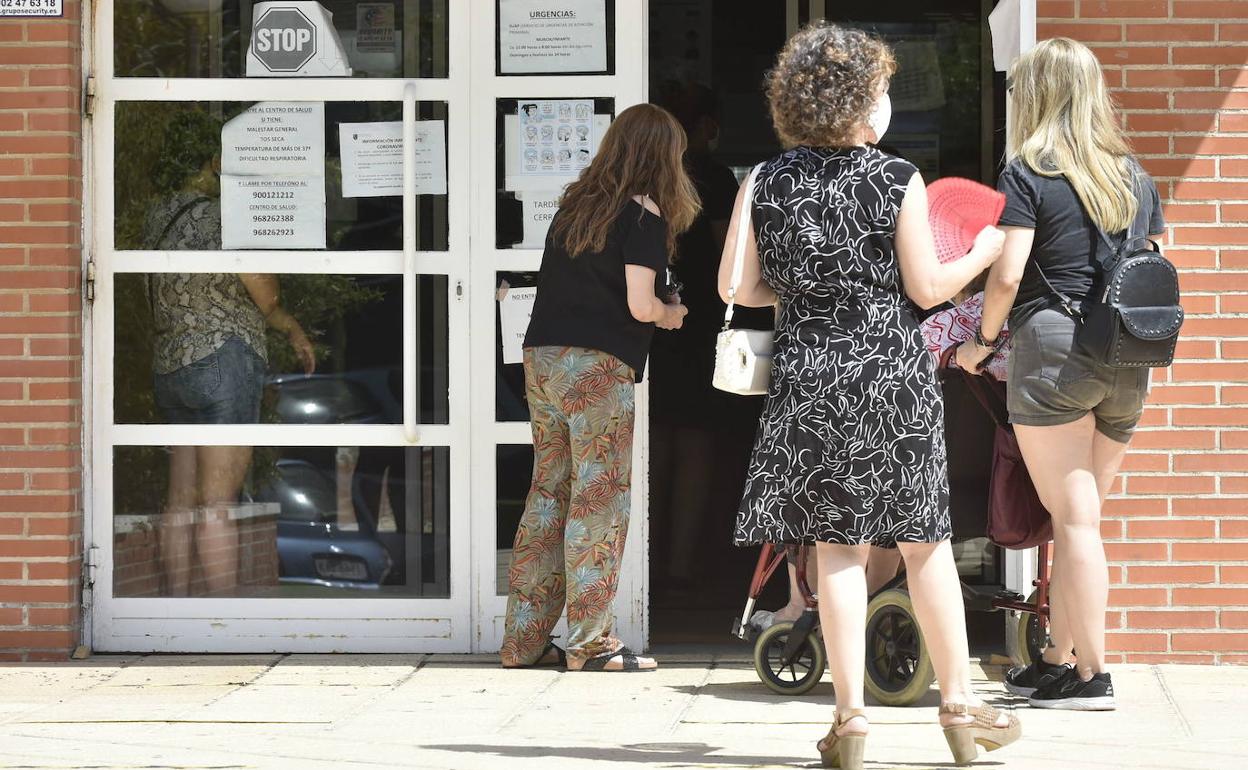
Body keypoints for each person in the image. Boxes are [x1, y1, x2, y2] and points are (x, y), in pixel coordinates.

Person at [722, 24, 1020, 768]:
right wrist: (982, 253)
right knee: (925, 546)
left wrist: (804, 286)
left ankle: (850, 720)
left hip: (808, 378)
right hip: (890, 372)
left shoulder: (767, 179)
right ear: (862, 104)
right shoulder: (896, 179)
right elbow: (925, 288)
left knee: (837, 551)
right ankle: (957, 708)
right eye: (882, 91)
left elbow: (739, 286)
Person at [957, 37, 1164, 712]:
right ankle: (1057, 658)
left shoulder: (1028, 173)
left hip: (1055, 351)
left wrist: (982, 345)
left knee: (1073, 524)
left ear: (1039, 94)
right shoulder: (1131, 173)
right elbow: (1157, 259)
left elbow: (1008, 274)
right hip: (1129, 357)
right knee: (1084, 522)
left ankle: (1092, 676)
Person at [500, 104, 697, 672]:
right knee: (598, 499)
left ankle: (523, 641)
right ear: (661, 157)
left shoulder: (574, 207)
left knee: (547, 495)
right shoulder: (643, 214)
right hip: (597, 367)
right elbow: (640, 304)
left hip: (542, 359)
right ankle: (591, 643)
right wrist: (671, 314)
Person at [144, 108, 315, 596]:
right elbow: (263, 291)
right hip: (224, 359)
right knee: (220, 502)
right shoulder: (225, 213)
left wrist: (289, 328)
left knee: (180, 500)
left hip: (171, 363)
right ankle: (221, 616)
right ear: (215, 160)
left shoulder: (158, 214)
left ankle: (177, 607)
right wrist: (285, 317)